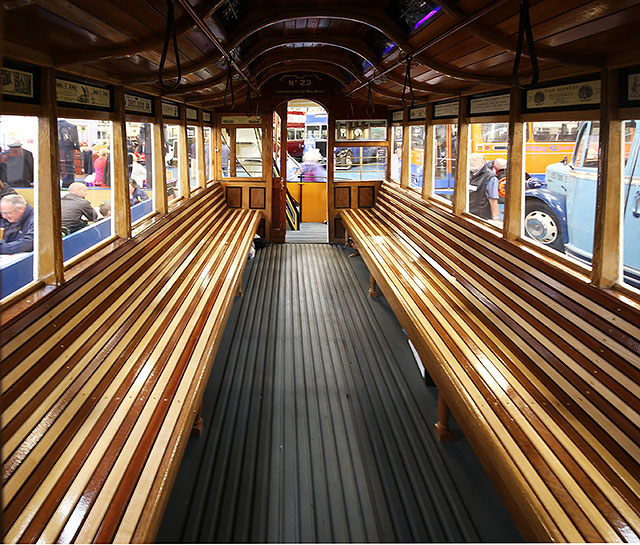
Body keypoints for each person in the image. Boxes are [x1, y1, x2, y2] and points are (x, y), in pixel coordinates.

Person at [468, 153, 500, 222]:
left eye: (474, 160)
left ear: (482, 162)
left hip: (481, 216)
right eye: (470, 160)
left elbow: (493, 199)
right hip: (468, 214)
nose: (471, 162)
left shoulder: (490, 177)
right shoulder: (468, 174)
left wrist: (496, 218)